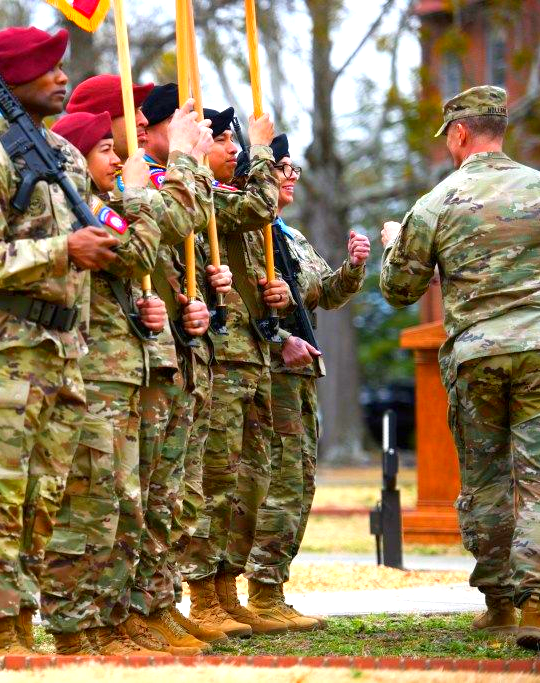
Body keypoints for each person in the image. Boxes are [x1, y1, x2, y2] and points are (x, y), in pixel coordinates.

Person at [0, 25, 123, 655]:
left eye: (62, 67)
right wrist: (64, 249)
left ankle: (22, 624)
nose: (62, 78)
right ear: (11, 80)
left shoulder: (63, 156)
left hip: (59, 354)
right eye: (48, 69)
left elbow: (90, 242)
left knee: (42, 500)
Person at [380, 85, 540, 653]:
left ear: (459, 134)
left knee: (486, 480)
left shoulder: (437, 202)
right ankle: (539, 605)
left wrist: (393, 246)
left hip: (478, 357)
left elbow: (399, 289)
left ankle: (500, 603)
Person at [66, 76, 222, 654]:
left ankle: (151, 602)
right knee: (119, 498)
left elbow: (162, 241)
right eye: (122, 122)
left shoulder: (124, 183)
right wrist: (179, 162)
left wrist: (185, 304)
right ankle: (120, 613)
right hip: (110, 363)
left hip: (148, 351)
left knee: (162, 493)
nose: (128, 133)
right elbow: (142, 242)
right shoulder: (92, 187)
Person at [38, 110, 170, 656]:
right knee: (88, 502)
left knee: (120, 502)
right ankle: (76, 624)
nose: (117, 156)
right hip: (92, 374)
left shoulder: (98, 206)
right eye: (103, 150)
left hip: (120, 371)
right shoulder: (85, 209)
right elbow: (136, 250)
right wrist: (138, 195)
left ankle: (106, 619)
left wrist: (150, 309)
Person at [243, 134, 368, 631]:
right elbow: (243, 308)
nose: (291, 174)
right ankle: (259, 592)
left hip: (300, 375)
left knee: (298, 481)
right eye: (280, 166)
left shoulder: (288, 236)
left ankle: (272, 587)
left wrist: (354, 268)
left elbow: (320, 295)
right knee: (275, 482)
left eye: (293, 167)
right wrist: (277, 342)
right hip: (271, 370)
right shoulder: (248, 233)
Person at [178, 100, 293, 639]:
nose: (234, 149)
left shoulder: (226, 201)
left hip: (252, 355)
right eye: (224, 140)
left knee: (251, 482)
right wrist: (265, 148)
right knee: (216, 480)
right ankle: (202, 594)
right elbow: (258, 207)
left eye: (235, 141)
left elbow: (256, 233)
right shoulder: (206, 200)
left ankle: (227, 588)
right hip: (221, 360)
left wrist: (278, 295)